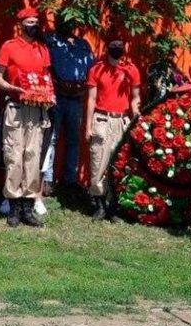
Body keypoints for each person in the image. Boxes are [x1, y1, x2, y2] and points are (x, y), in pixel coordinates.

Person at [0, 6, 53, 228]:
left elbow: (46, 79)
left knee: (32, 156)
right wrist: (12, 87)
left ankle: (28, 208)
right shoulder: (9, 47)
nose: (33, 26)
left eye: (36, 22)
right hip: (16, 108)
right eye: (29, 22)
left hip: (37, 110)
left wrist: (49, 95)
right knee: (14, 156)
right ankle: (14, 208)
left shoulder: (43, 49)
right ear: (21, 24)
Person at [85, 37, 141, 221]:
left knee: (119, 165)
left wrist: (136, 118)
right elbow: (92, 99)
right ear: (108, 50)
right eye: (113, 47)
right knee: (97, 162)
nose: (116, 50)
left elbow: (135, 98)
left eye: (119, 47)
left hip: (121, 120)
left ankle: (113, 207)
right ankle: (99, 206)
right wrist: (88, 125)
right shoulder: (96, 69)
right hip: (101, 119)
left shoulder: (131, 70)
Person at [40, 15, 94, 197]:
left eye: (72, 21)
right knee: (52, 138)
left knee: (73, 140)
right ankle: (47, 180)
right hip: (56, 96)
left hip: (76, 98)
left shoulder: (83, 45)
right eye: (64, 20)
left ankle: (70, 180)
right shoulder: (50, 41)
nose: (68, 24)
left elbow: (91, 69)